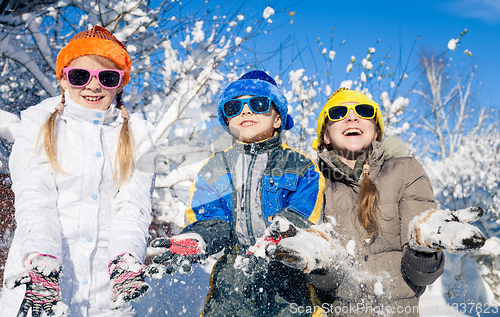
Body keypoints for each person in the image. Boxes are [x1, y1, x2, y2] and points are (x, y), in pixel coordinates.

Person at [269, 88, 486, 316]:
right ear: (325, 135)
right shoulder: (312, 182)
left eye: (363, 111)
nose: (351, 117)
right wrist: (321, 262)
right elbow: (325, 287)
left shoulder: (406, 170)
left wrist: (424, 247)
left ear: (376, 131)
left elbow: (422, 277)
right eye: (338, 112)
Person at [0, 26, 161, 317]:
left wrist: (125, 258)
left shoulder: (140, 136)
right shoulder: (38, 124)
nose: (93, 86)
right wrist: (43, 260)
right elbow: (34, 194)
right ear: (63, 78)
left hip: (105, 299)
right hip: (39, 289)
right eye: (80, 76)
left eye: (107, 77)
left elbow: (133, 205)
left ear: (120, 83)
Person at [150, 70, 326, 316]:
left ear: (278, 119)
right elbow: (210, 218)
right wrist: (198, 238)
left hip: (287, 278)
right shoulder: (215, 168)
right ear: (227, 122)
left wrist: (279, 235)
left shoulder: (300, 166)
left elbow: (302, 213)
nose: (245, 111)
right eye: (235, 106)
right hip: (232, 283)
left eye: (258, 103)